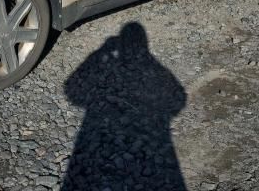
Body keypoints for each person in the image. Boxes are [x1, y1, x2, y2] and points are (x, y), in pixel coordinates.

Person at [62, 22, 187, 190]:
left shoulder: (145, 67)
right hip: (152, 136)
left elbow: (71, 89)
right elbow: (179, 98)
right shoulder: (153, 67)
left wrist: (100, 53)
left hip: (99, 128)